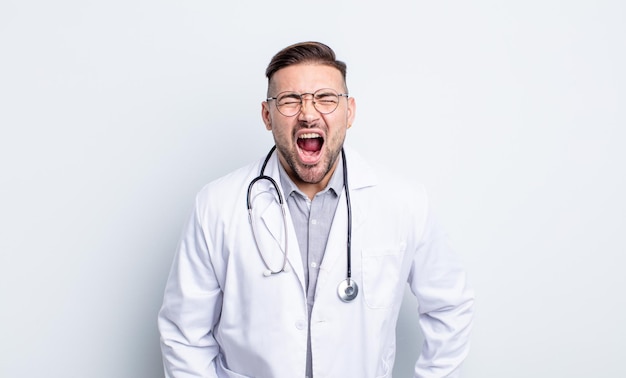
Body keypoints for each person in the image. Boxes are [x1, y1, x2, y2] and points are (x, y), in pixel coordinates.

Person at [158, 41, 474, 378]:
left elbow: (451, 306)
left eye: (325, 98)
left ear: (349, 112)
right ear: (267, 116)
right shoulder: (217, 205)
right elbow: (183, 334)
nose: (308, 113)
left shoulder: (404, 202)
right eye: (290, 101)